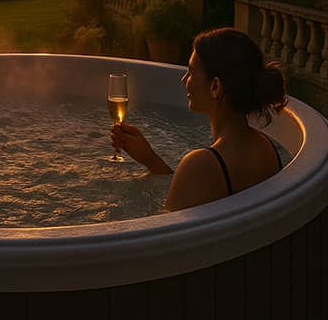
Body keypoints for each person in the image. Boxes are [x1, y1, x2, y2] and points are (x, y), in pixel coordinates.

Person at [111, 28, 287, 212]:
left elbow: (163, 227)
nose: (184, 80)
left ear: (215, 86)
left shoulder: (201, 165)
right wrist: (151, 160)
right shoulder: (265, 147)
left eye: (191, 72)